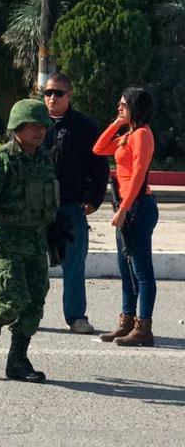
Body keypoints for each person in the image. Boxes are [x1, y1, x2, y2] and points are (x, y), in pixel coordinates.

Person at [0, 99, 58, 383]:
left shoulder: (43, 159)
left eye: (42, 127)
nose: (39, 132)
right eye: (32, 127)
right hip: (7, 240)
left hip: (36, 241)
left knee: (35, 301)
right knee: (13, 298)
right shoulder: (2, 160)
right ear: (17, 128)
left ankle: (18, 360)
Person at [41, 73, 110, 334]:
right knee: (33, 262)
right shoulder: (33, 122)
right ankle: (28, 314)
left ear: (69, 95)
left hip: (71, 205)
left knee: (74, 264)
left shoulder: (85, 126)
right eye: (48, 93)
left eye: (58, 93)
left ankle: (76, 316)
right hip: (36, 207)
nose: (52, 98)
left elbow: (99, 166)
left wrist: (94, 199)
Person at [93, 87, 159, 347]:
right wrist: (117, 123)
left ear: (136, 107)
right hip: (126, 206)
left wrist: (123, 210)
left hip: (138, 207)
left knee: (141, 270)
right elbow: (99, 148)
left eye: (124, 104)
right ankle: (127, 321)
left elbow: (138, 175)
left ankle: (144, 328)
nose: (119, 107)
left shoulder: (142, 134)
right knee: (125, 267)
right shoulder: (129, 134)